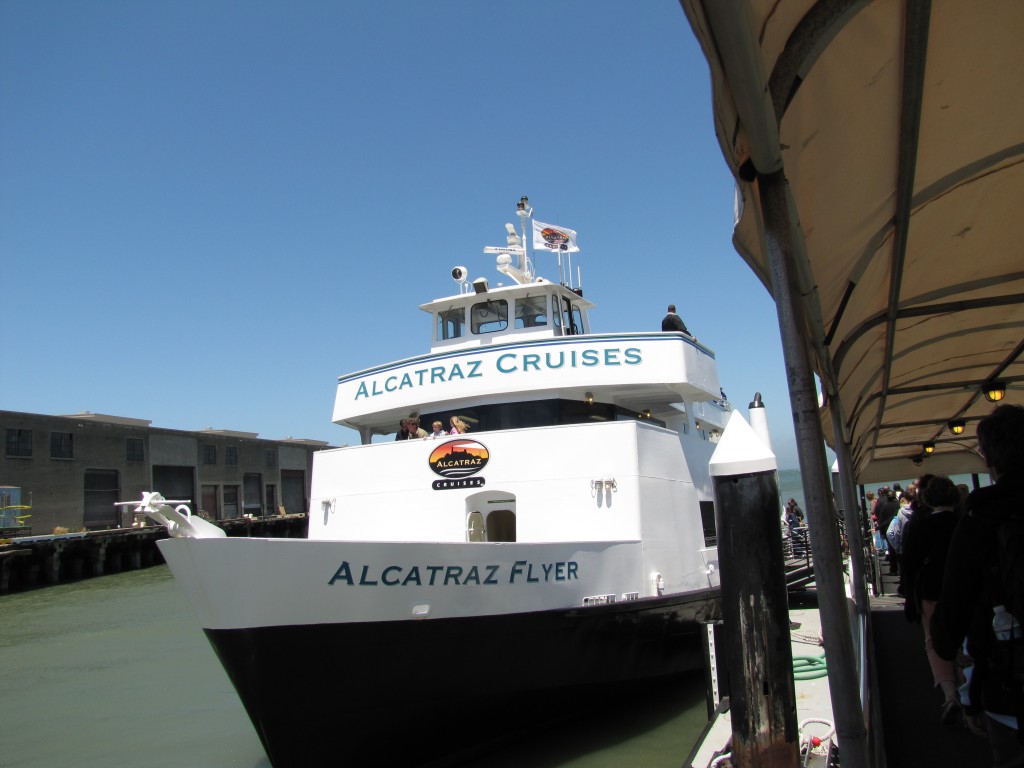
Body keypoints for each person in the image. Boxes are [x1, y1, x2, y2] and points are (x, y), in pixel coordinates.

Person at [932, 404, 1024, 765]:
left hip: (1011, 690)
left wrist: (947, 647)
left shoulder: (981, 518)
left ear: (989, 459)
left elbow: (952, 613)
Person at [900, 475, 963, 725]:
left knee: (933, 639)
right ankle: (967, 681)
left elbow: (909, 561)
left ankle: (950, 694)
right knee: (965, 633)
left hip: (930, 590)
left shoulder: (920, 526)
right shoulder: (963, 523)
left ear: (927, 499)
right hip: (961, 587)